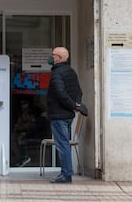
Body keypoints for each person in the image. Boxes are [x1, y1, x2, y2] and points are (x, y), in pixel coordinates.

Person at [46, 46, 84, 183]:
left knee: (62, 145)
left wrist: (72, 105)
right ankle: (66, 172)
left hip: (59, 115)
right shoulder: (71, 71)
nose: (51, 57)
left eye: (53, 55)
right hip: (68, 116)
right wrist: (75, 105)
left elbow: (61, 94)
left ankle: (66, 174)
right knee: (65, 144)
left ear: (59, 58)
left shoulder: (57, 73)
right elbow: (79, 92)